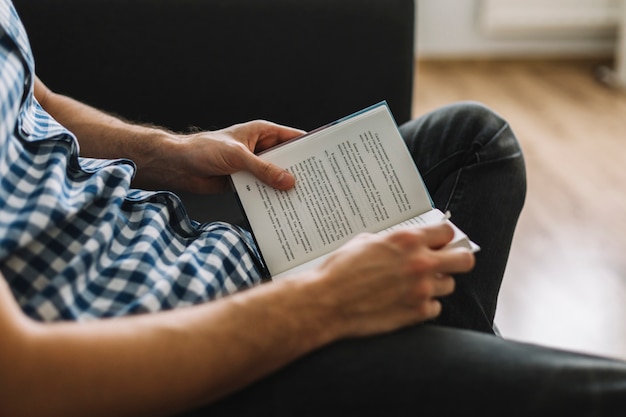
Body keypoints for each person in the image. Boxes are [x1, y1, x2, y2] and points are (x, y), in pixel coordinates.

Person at [1, 1, 626, 416]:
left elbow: (32, 94)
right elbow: (26, 380)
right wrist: (329, 301)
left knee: (475, 142)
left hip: (167, 242)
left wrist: (171, 152)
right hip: (163, 364)